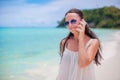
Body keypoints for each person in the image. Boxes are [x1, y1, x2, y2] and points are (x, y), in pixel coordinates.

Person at [56, 8, 102, 80]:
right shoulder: (64, 42)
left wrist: (81, 38)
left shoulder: (93, 42)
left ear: (82, 22)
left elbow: (83, 64)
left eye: (73, 21)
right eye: (67, 23)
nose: (70, 25)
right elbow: (63, 68)